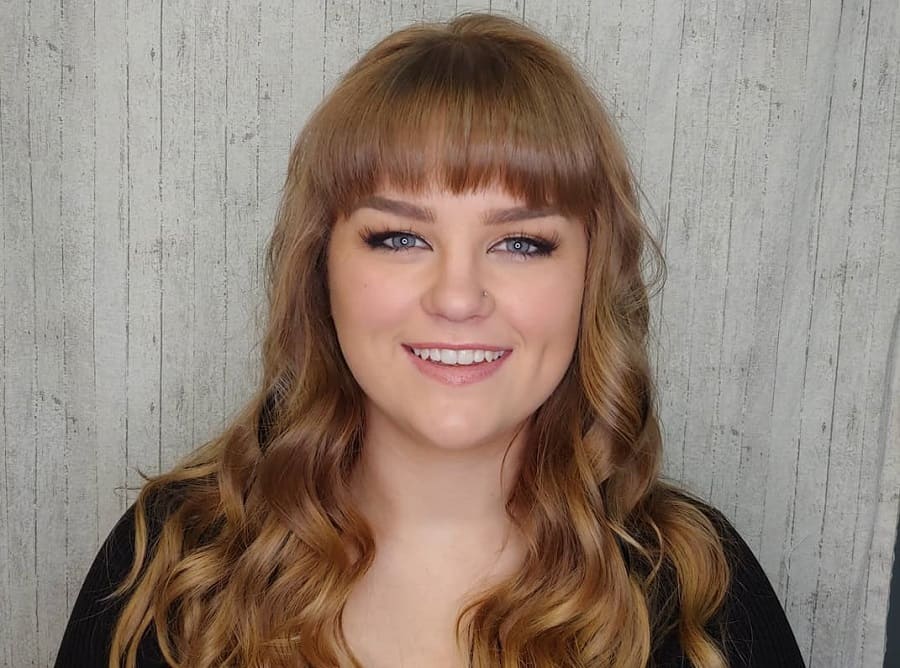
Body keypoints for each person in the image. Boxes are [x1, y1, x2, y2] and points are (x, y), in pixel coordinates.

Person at [55, 12, 805, 668]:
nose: (456, 297)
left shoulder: (702, 592)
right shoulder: (175, 564)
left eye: (521, 243)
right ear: (321, 269)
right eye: (399, 237)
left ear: (592, 275)